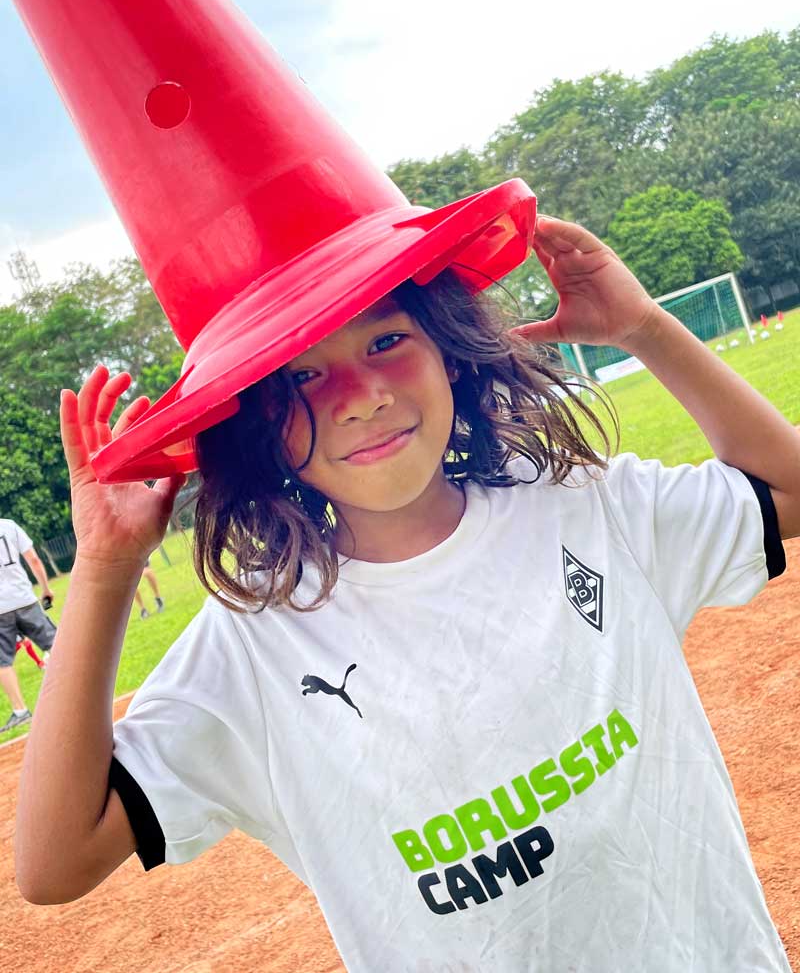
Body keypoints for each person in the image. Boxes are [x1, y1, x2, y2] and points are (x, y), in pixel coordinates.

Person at [15, 218, 798, 971]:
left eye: (387, 341)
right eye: (302, 376)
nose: (360, 397)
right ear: (260, 427)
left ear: (450, 351)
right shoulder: (254, 644)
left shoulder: (584, 506)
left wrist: (644, 329)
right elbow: (56, 862)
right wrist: (106, 568)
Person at [0, 518, 56, 732]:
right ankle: (74, 692)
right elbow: (33, 559)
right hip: (24, 599)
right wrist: (45, 589)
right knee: (56, 646)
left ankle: (20, 711)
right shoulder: (9, 526)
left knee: (3, 663)